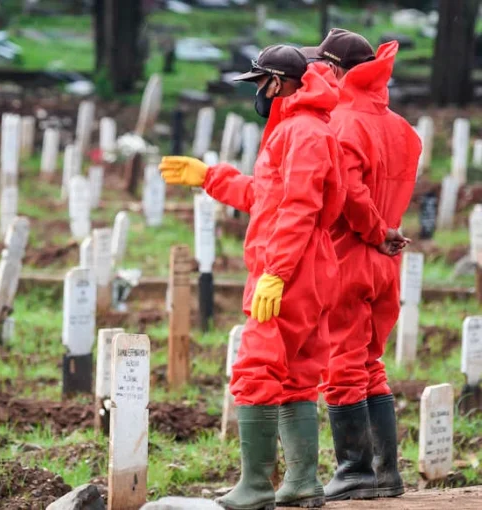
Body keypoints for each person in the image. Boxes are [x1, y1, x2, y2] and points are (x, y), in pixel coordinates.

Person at [159, 45, 344, 510]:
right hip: (309, 263)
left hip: (290, 266)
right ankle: (302, 482)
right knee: (299, 373)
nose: (258, 92)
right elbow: (267, 197)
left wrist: (276, 272)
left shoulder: (302, 131)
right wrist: (210, 177)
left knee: (256, 367)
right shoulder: (307, 127)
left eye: (260, 82)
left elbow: (299, 207)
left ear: (279, 82)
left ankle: (256, 486)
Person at [302, 29, 421, 502]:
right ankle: (385, 473)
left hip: (350, 251)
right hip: (385, 259)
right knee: (370, 362)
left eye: (320, 65)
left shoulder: (341, 122)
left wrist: (374, 230)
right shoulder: (401, 127)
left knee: (343, 362)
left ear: (334, 70)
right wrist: (385, 231)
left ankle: (354, 471)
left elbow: (352, 194)